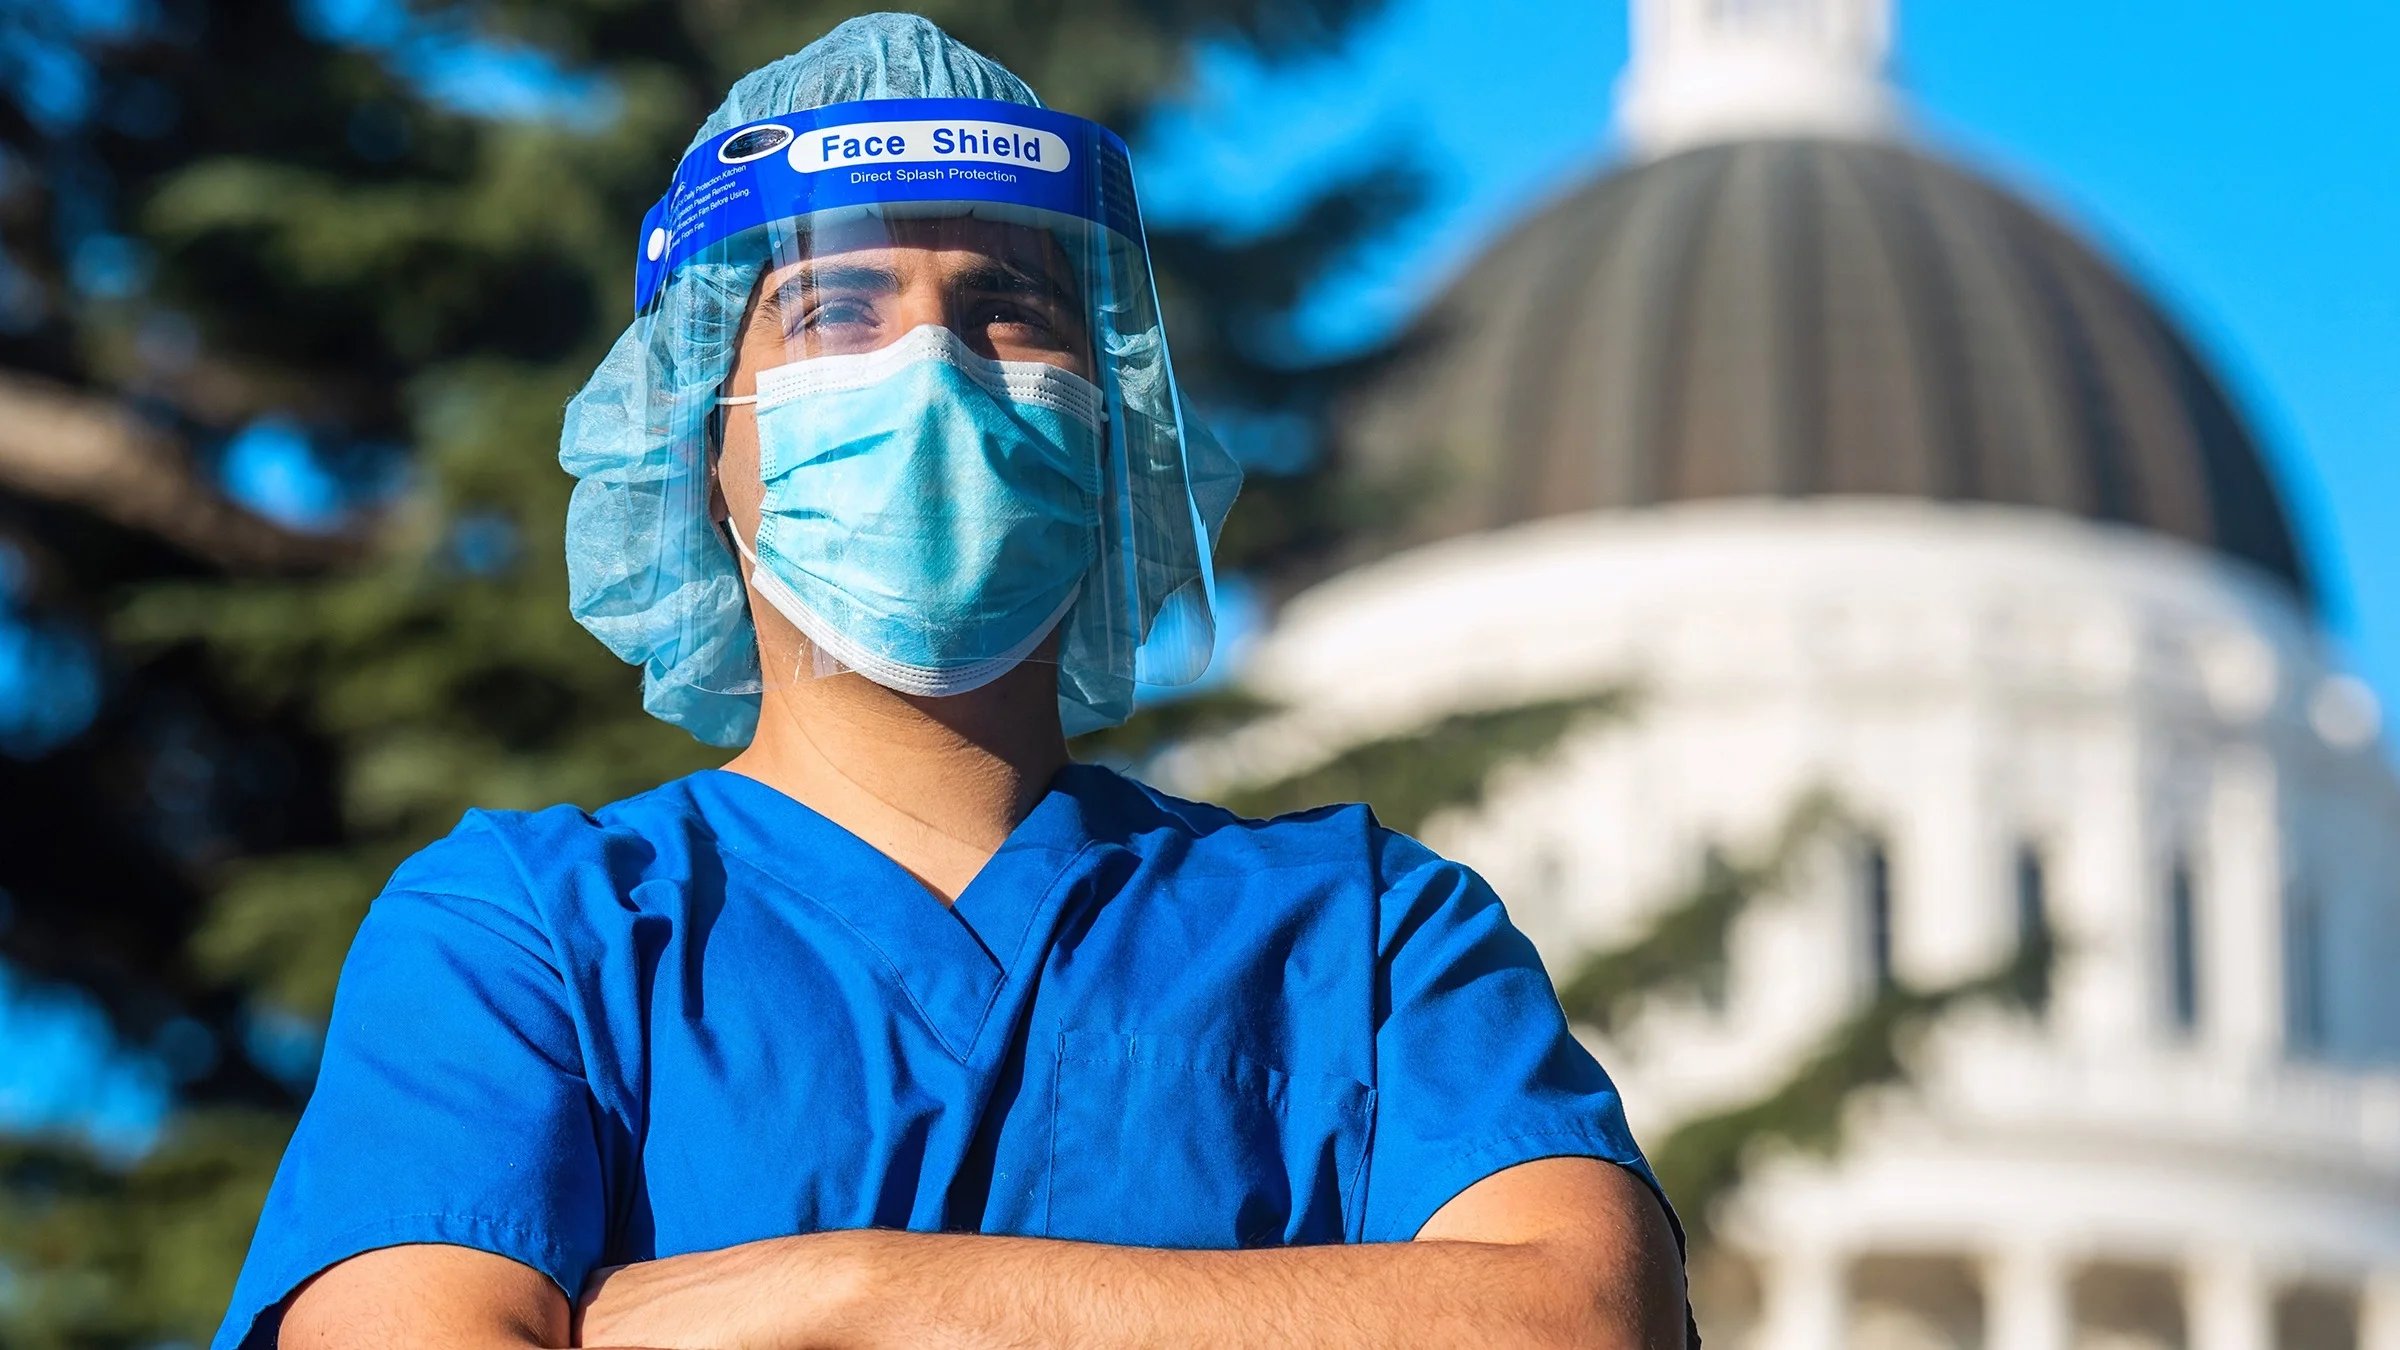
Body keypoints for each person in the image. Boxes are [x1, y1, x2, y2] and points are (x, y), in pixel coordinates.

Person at [214, 14, 1689, 1349]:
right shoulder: (532, 935)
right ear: (697, 446)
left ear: (1116, 433)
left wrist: (846, 1289)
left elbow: (1574, 1317)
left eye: (1007, 309)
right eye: (839, 311)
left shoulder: (1366, 935)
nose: (934, 365)